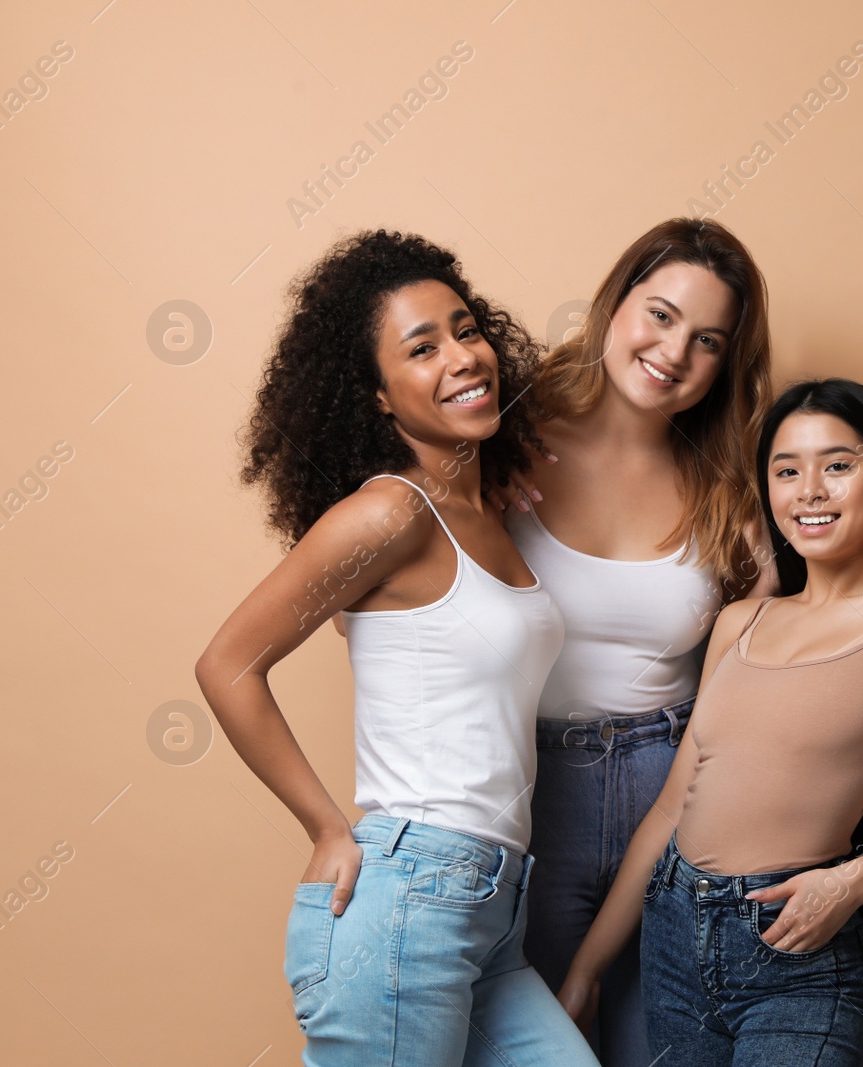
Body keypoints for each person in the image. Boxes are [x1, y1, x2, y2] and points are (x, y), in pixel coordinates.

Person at [195, 232, 598, 1065]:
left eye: (466, 328)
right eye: (422, 348)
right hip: (410, 896)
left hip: (493, 915)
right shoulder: (391, 514)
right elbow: (227, 664)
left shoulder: (481, 512)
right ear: (377, 396)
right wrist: (326, 827)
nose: (462, 357)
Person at [558, 379, 863, 1066]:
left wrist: (846, 883)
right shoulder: (740, 621)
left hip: (799, 942)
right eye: (787, 470)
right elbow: (671, 807)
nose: (810, 490)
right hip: (673, 930)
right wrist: (588, 968)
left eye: (839, 465)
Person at [506, 218, 774, 1067]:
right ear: (614, 303)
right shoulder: (505, 437)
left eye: (706, 341)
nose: (672, 353)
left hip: (680, 784)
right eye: (658, 314)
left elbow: (804, 620)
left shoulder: (730, 479)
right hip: (532, 790)